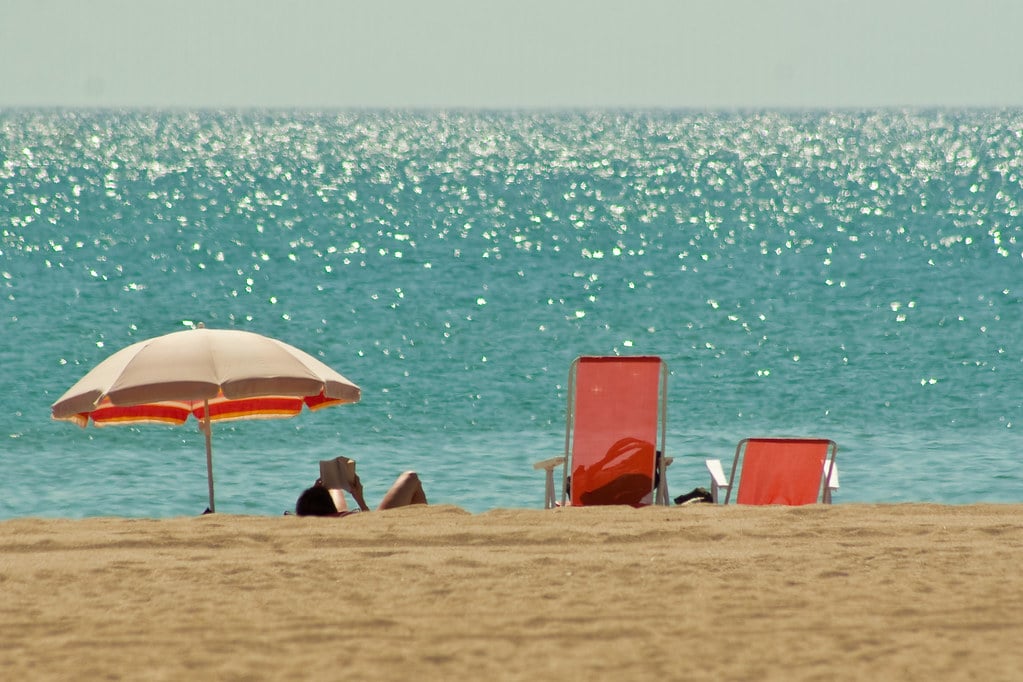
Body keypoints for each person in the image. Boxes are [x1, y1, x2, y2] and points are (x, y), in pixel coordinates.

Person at [295, 469, 428, 517]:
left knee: (334, 487)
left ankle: (328, 486)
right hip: (348, 520)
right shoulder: (344, 518)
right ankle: (420, 524)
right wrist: (360, 499)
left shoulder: (306, 521)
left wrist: (316, 493)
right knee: (411, 477)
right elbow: (370, 523)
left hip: (322, 515)